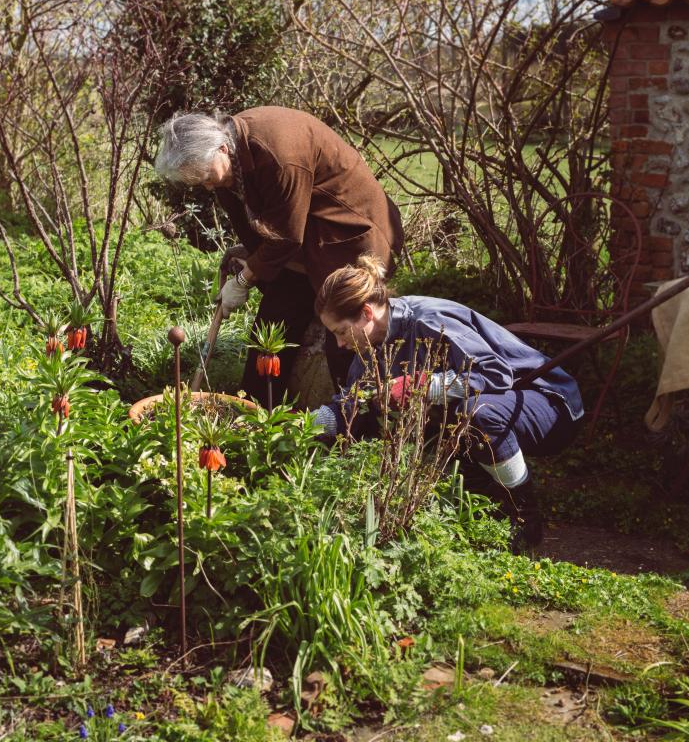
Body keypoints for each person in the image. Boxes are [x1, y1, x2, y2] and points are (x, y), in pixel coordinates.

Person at [311, 255, 585, 551]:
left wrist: (422, 386)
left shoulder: (428, 320)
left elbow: (494, 374)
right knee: (402, 415)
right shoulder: (374, 346)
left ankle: (524, 518)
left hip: (549, 402)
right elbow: (354, 404)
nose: (339, 343)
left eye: (340, 331)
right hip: (504, 404)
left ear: (366, 312)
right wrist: (296, 424)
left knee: (473, 414)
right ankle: (483, 507)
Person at [154, 107, 404, 403]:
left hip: (352, 238)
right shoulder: (227, 163)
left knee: (343, 335)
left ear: (221, 147)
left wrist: (244, 280)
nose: (208, 185)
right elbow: (265, 229)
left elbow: (286, 238)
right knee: (270, 329)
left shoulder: (278, 154)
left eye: (207, 176)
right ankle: (256, 412)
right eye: (200, 182)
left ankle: (354, 424)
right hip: (307, 238)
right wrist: (249, 256)